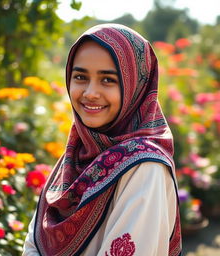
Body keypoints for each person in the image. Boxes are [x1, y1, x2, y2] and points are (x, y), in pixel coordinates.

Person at [22, 23, 182, 256]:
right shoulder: (79, 150)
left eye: (108, 80)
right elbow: (33, 243)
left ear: (136, 86)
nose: (89, 93)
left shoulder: (144, 167)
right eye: (80, 77)